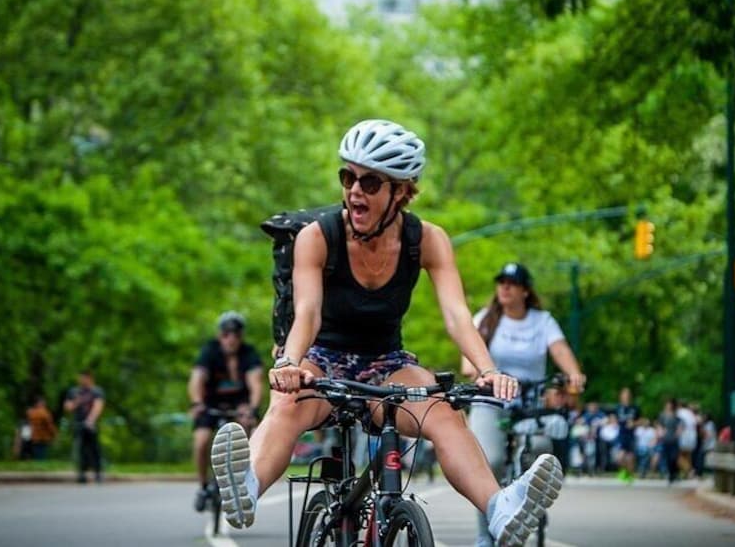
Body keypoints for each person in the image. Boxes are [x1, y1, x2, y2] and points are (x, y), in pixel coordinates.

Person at [210, 119, 564, 547]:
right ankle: (246, 486)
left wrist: (487, 369)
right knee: (288, 402)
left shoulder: (427, 240)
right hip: (324, 359)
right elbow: (307, 312)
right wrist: (288, 362)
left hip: (386, 364)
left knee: (445, 411)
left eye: (371, 182)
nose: (355, 190)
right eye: (348, 177)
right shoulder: (317, 237)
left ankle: (500, 508)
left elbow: (456, 315)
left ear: (401, 191)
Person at [460, 262, 585, 545]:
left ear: (525, 291)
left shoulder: (542, 321)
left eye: (512, 283)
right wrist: (474, 369)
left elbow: (561, 350)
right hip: (490, 399)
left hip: (529, 401)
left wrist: (573, 375)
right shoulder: (486, 318)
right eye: (501, 281)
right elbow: (468, 357)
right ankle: (484, 536)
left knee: (541, 450)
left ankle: (528, 501)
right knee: (488, 461)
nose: (504, 287)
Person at [189, 311, 263, 512]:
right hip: (210, 403)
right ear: (219, 335)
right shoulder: (209, 351)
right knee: (202, 440)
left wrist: (253, 408)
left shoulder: (249, 353)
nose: (231, 339)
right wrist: (196, 403)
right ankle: (203, 486)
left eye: (236, 335)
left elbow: (256, 384)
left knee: (248, 431)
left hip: (239, 405)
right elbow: (197, 379)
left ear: (241, 336)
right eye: (226, 334)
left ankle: (238, 480)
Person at [64, 370, 105, 483]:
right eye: (80, 378)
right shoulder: (74, 391)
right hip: (78, 423)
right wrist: (76, 402)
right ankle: (82, 474)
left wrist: (90, 420)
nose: (81, 380)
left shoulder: (96, 391)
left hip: (92, 425)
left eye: (83, 378)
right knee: (81, 449)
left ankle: (98, 473)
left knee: (95, 449)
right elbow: (68, 407)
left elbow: (98, 406)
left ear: (90, 378)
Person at [615, 387, 640, 481]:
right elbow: (614, 418)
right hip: (621, 434)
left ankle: (630, 475)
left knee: (630, 457)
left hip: (631, 435)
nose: (625, 396)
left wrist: (634, 423)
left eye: (627, 394)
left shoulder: (635, 408)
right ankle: (624, 472)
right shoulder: (618, 408)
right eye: (624, 394)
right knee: (619, 457)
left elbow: (642, 420)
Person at [26, 396, 57, 460]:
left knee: (36, 453)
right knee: (42, 455)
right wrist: (54, 434)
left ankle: (36, 465)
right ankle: (40, 467)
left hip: (33, 437)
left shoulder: (30, 412)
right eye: (43, 403)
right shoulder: (44, 413)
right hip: (43, 437)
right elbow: (50, 425)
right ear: (39, 403)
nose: (44, 404)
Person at [658, 399, 682, 483]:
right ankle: (671, 475)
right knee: (667, 457)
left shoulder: (676, 416)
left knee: (674, 457)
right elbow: (660, 425)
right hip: (666, 439)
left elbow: (680, 425)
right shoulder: (662, 416)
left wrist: (678, 433)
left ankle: (675, 473)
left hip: (674, 439)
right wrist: (661, 433)